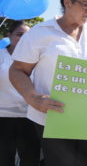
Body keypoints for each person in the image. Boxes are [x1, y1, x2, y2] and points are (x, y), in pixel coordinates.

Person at [9, 0, 87, 166]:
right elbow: (17, 70)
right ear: (67, 2)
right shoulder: (40, 33)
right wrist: (33, 97)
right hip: (51, 119)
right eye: (85, 5)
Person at [0, 21, 40, 166]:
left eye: (27, 35)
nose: (24, 39)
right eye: (19, 34)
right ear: (9, 35)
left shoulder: (37, 58)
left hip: (29, 117)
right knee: (4, 159)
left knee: (31, 158)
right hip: (3, 118)